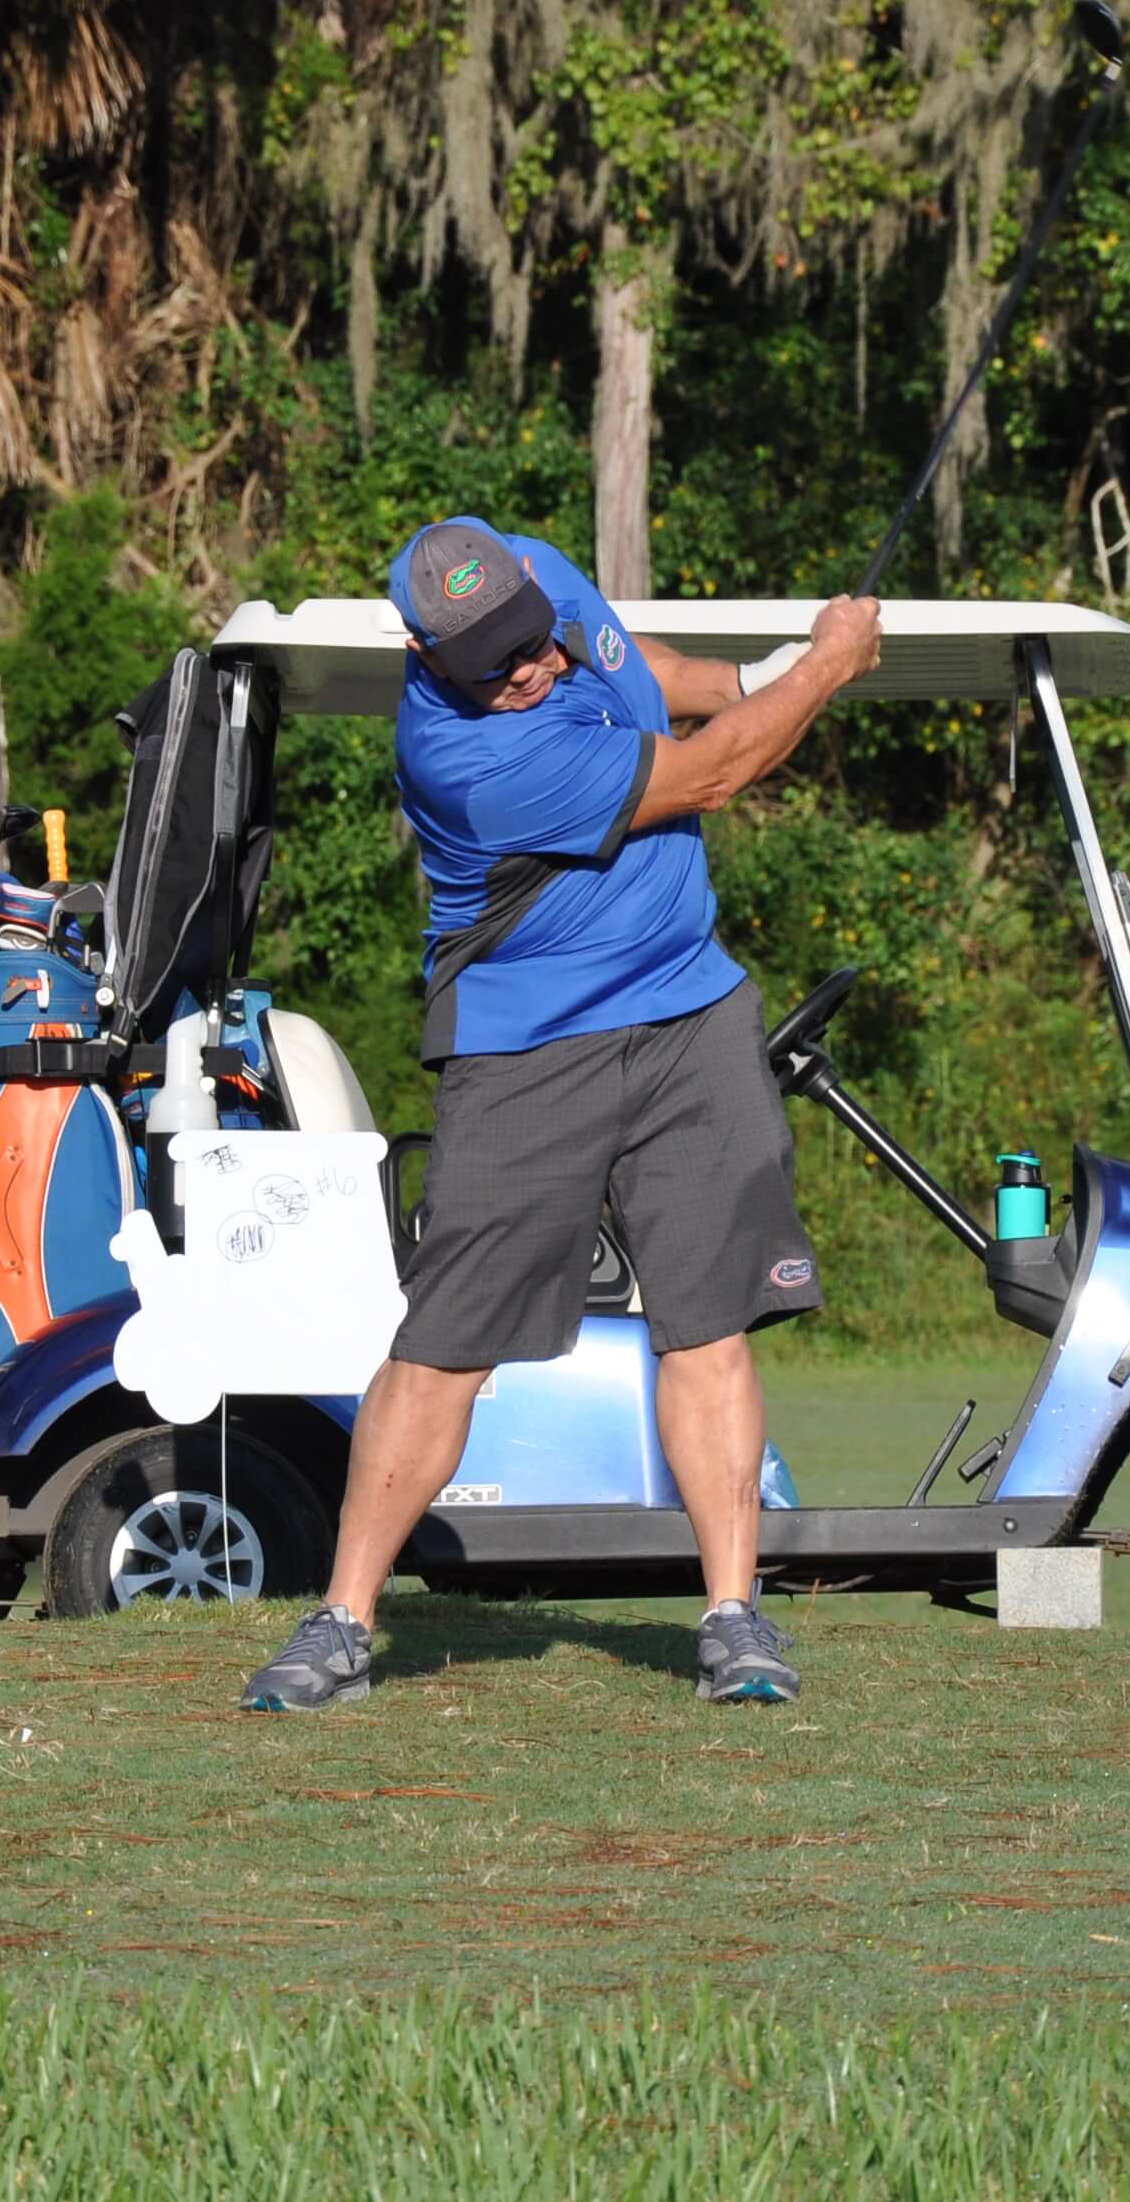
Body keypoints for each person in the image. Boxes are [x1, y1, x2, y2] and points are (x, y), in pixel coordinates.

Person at [245, 518, 880, 1712]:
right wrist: (827, 667)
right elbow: (714, 773)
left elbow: (630, 659)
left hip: (691, 1015)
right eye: (499, 665)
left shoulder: (532, 583)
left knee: (707, 1321)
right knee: (445, 1346)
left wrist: (745, 673)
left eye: (532, 640)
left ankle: (734, 1620)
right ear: (430, 659)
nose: (535, 667)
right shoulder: (462, 760)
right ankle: (339, 1622)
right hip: (527, 1046)